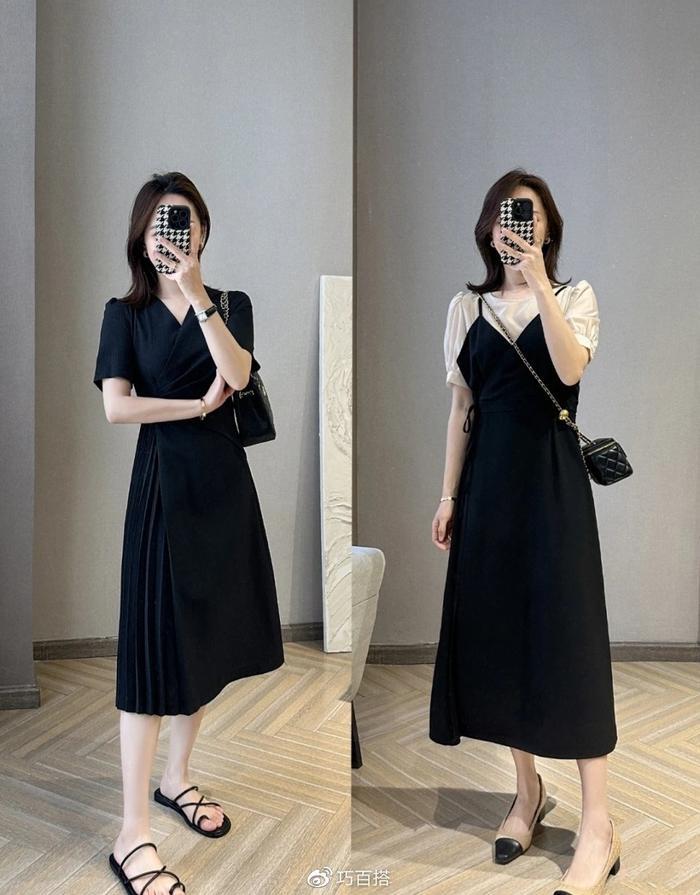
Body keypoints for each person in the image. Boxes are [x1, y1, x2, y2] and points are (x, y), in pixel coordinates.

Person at [428, 169, 621, 894]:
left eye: (530, 217)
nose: (517, 227)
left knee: (570, 642)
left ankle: (599, 824)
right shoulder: (465, 307)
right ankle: (527, 790)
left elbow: (569, 371)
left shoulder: (575, 297)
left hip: (552, 485)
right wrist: (448, 495)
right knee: (504, 638)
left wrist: (539, 283)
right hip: (489, 490)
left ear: (547, 229)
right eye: (508, 216)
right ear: (489, 228)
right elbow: (461, 409)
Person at [94, 171, 285, 895]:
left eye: (185, 222)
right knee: (149, 655)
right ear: (142, 237)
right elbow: (117, 408)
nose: (173, 234)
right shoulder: (124, 314)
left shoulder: (231, 304)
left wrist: (198, 293)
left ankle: (175, 777)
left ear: (202, 230)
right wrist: (192, 407)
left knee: (202, 640)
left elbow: (236, 372)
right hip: (161, 487)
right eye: (161, 224)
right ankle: (131, 833)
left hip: (222, 488)